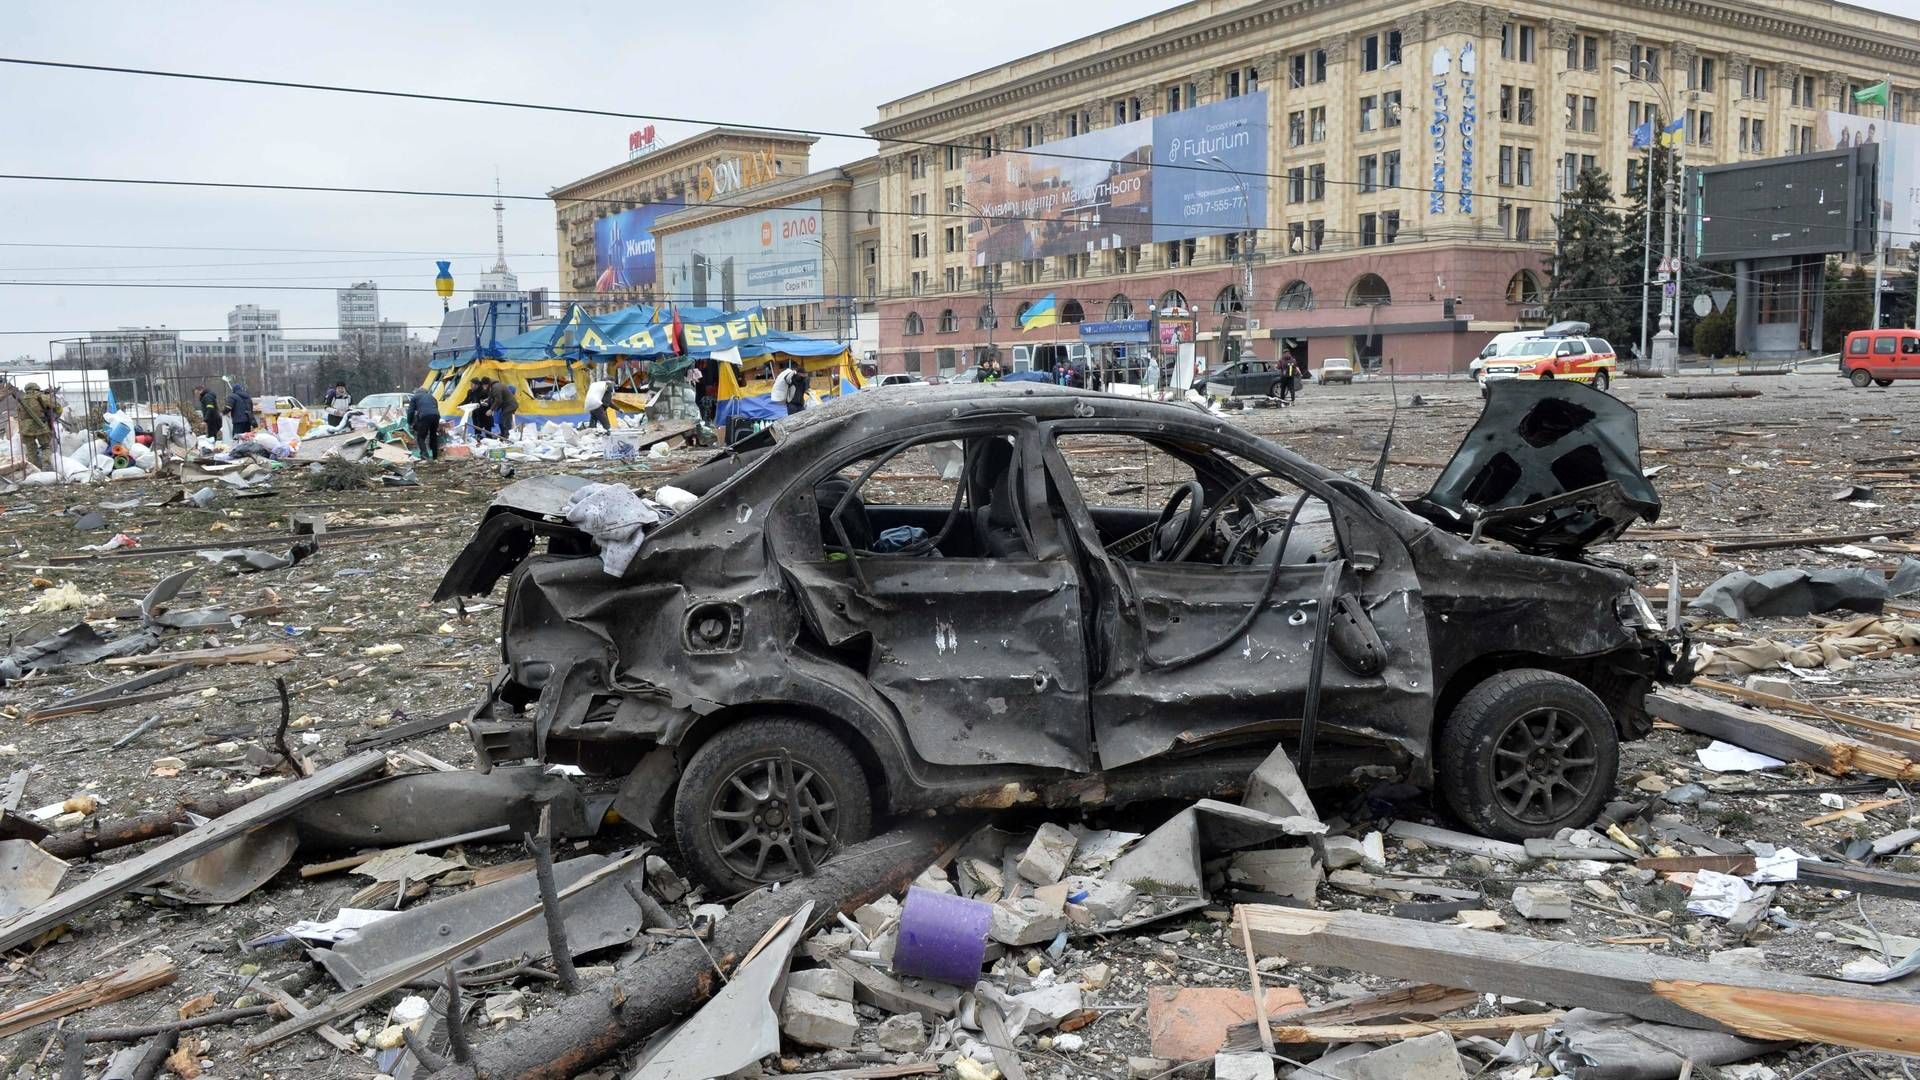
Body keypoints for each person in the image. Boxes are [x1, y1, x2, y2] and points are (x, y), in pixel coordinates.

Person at [17, 382, 57, 469]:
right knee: (45, 446)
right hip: (40, 425)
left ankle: (34, 469)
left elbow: (19, 415)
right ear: (36, 388)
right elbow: (55, 405)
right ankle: (46, 465)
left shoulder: (22, 399)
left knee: (31, 450)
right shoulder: (40, 396)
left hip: (25, 428)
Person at [406, 385, 442, 460]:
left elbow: (410, 411)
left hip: (425, 416)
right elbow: (435, 408)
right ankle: (435, 456)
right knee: (433, 435)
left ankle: (425, 455)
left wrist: (409, 422)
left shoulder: (415, 398)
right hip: (436, 416)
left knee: (421, 437)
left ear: (417, 392)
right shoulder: (432, 397)